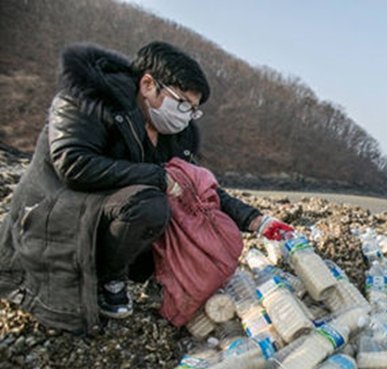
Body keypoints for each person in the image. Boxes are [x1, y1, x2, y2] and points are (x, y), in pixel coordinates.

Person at [0, 41, 292, 334]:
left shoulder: (173, 133)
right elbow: (74, 164)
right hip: (58, 213)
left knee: (183, 221)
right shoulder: (89, 99)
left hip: (114, 214)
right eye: (181, 104)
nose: (185, 116)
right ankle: (109, 279)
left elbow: (199, 186)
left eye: (192, 110)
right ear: (148, 84)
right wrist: (157, 176)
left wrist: (256, 220)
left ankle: (135, 273)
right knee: (151, 204)